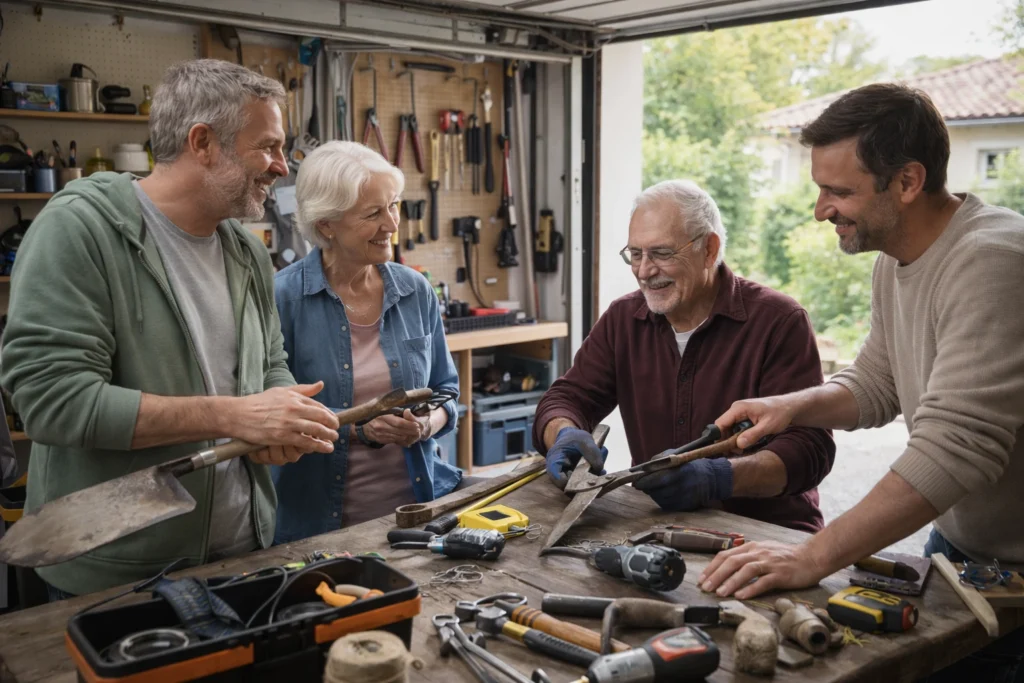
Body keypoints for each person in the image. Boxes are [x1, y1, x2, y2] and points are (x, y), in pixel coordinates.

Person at [700, 84, 1024, 682]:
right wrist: (791, 406)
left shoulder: (993, 260)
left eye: (838, 191)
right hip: (959, 553)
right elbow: (879, 383)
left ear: (906, 182)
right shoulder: (894, 258)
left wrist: (812, 557)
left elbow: (954, 451)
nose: (821, 209)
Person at [0, 59, 341, 599]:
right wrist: (237, 416)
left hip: (241, 552)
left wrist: (279, 420)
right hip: (117, 575)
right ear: (203, 142)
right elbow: (51, 400)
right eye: (268, 147)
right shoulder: (80, 229)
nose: (281, 167)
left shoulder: (246, 250)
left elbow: (269, 362)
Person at [533, 180, 835, 532]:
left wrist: (721, 477)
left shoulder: (779, 322)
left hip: (765, 536)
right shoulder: (623, 319)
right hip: (658, 528)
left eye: (661, 254)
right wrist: (563, 434)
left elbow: (809, 451)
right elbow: (567, 398)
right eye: (635, 254)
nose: (644, 271)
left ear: (709, 250)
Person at [271, 141, 461, 543]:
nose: (392, 224)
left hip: (421, 513)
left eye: (393, 205)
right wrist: (363, 430)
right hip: (320, 527)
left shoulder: (415, 290)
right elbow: (275, 419)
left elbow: (447, 393)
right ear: (327, 225)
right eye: (373, 213)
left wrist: (426, 424)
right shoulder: (282, 299)